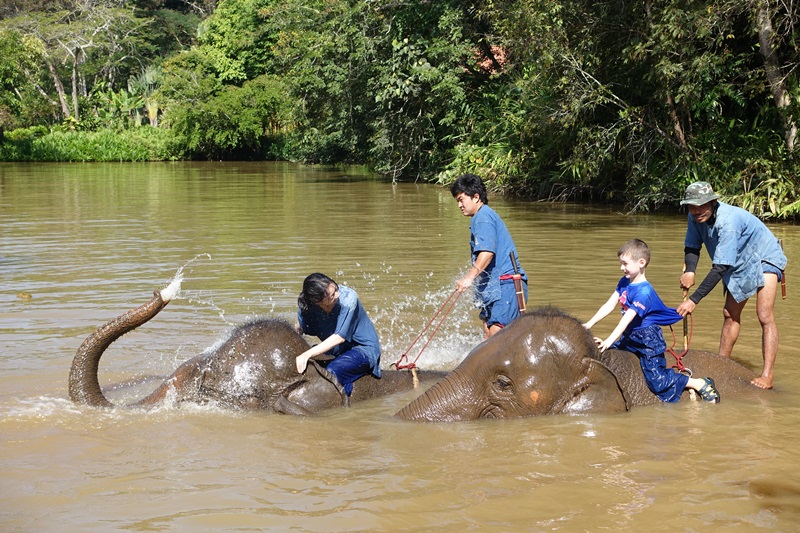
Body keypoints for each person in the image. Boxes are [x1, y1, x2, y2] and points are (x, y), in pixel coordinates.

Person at [676, 181, 787, 390]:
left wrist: (694, 300)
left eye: (701, 206)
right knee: (729, 313)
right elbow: (692, 246)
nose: (697, 211)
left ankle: (767, 375)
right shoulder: (694, 217)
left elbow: (720, 267)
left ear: (713, 202)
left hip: (765, 256)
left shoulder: (728, 220)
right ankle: (721, 365)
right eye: (692, 206)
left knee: (764, 315)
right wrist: (690, 270)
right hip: (738, 261)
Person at [583, 239, 720, 403]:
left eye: (625, 264)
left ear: (641, 263)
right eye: (620, 263)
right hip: (629, 336)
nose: (621, 268)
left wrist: (608, 340)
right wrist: (588, 324)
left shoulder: (644, 292)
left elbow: (626, 319)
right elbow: (609, 305)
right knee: (606, 354)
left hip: (647, 339)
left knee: (657, 380)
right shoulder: (624, 282)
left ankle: (698, 383)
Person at [450, 173, 527, 337]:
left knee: (496, 339)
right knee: (488, 337)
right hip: (493, 287)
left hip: (506, 286)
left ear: (476, 197)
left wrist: (468, 278)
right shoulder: (482, 216)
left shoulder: (483, 217)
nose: (459, 205)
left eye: (461, 199)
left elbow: (487, 252)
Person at [295, 273, 381, 396]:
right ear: (316, 301)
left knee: (331, 373)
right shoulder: (307, 308)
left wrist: (306, 354)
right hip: (335, 351)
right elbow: (300, 328)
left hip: (363, 349)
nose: (337, 295)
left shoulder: (349, 299)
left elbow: (339, 337)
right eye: (331, 296)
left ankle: (342, 408)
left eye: (335, 289)